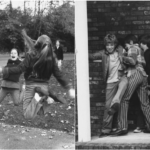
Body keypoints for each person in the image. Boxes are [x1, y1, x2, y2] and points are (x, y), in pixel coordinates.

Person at [0, 30, 75, 119]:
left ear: (37, 44)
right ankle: (47, 99)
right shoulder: (51, 57)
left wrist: (4, 70)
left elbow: (20, 69)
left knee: (28, 115)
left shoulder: (31, 55)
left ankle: (39, 97)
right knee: (39, 112)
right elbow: (58, 75)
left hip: (31, 85)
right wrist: (69, 87)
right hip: (44, 86)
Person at [89, 34, 128, 137]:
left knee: (124, 84)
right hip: (110, 82)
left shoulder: (120, 50)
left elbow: (129, 55)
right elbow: (92, 56)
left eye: (111, 44)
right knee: (107, 106)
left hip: (121, 78)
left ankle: (116, 100)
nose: (109, 47)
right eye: (107, 45)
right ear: (105, 45)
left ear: (115, 44)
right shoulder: (103, 54)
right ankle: (106, 130)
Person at [112, 34, 150, 136]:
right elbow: (143, 63)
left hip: (135, 74)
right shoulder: (141, 50)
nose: (126, 47)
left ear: (131, 42)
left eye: (126, 44)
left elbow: (132, 61)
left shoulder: (133, 48)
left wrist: (122, 57)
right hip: (143, 76)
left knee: (124, 99)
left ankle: (122, 127)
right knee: (145, 103)